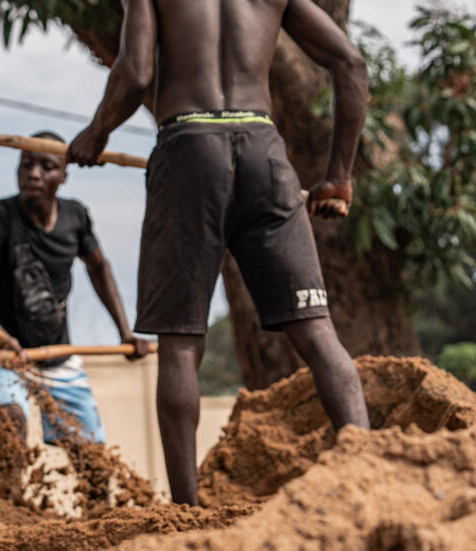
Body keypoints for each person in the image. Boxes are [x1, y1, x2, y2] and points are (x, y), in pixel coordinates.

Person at [66, 0, 372, 506]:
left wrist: (96, 133)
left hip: (190, 149)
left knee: (182, 341)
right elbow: (351, 64)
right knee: (317, 332)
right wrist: (339, 175)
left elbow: (137, 71)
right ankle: (367, 466)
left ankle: (187, 509)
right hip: (263, 150)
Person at [0, 130, 150, 501]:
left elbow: (100, 270)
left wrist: (125, 332)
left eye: (46, 166)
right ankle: (10, 517)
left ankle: (101, 526)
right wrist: (5, 343)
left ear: (64, 175)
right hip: (4, 355)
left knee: (93, 462)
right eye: (26, 165)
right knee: (11, 430)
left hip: (57, 354)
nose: (33, 174)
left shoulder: (75, 217)